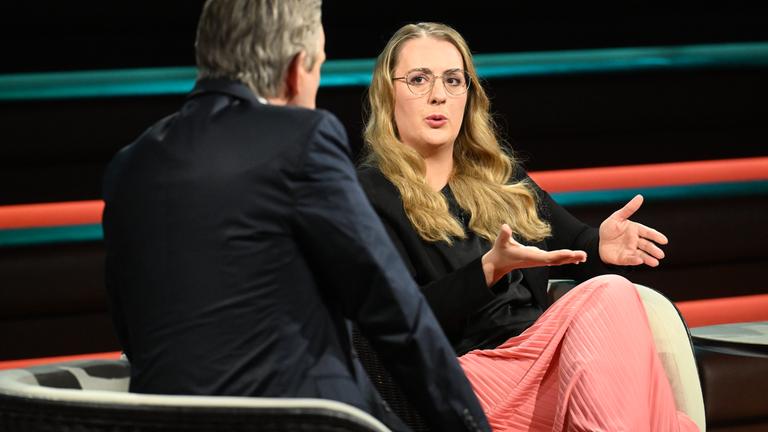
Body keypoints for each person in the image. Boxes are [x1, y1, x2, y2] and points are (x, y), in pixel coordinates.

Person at [101, 3, 491, 431]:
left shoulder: (129, 165)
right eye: (318, 67)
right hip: (300, 419)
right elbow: (393, 308)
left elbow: (131, 324)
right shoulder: (301, 140)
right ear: (295, 69)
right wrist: (470, 426)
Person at [358, 22, 699, 431]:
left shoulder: (499, 177)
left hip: (539, 360)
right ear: (387, 94)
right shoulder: (371, 193)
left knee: (656, 407)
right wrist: (488, 271)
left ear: (469, 94)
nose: (438, 95)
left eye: (453, 80)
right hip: (464, 376)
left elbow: (574, 243)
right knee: (615, 309)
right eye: (418, 80)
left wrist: (601, 245)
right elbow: (394, 321)